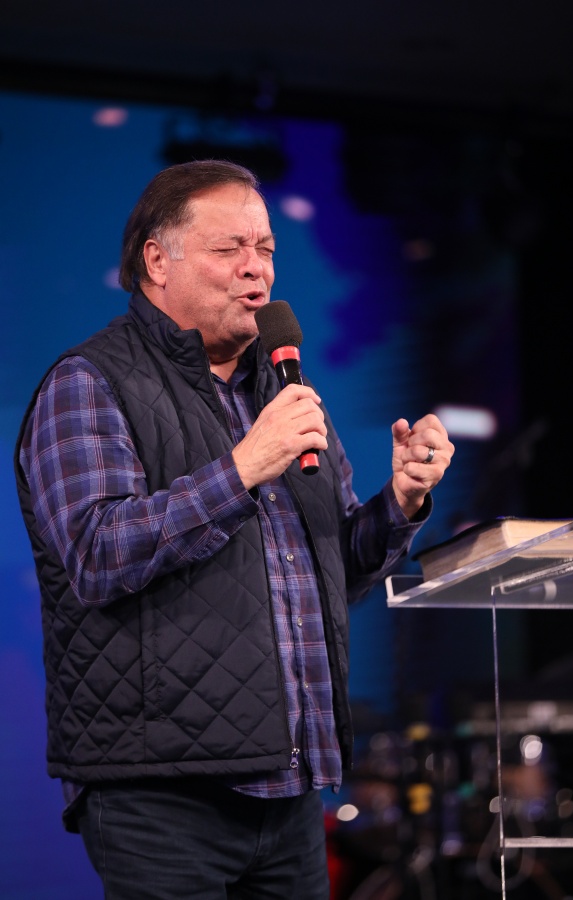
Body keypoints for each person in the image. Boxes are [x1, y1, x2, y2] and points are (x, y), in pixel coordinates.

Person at [14, 159, 455, 900]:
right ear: (158, 261)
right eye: (229, 249)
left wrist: (402, 502)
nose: (257, 270)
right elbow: (96, 554)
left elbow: (334, 574)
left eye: (266, 249)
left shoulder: (284, 391)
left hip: (291, 791)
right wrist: (243, 467)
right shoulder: (88, 383)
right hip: (162, 794)